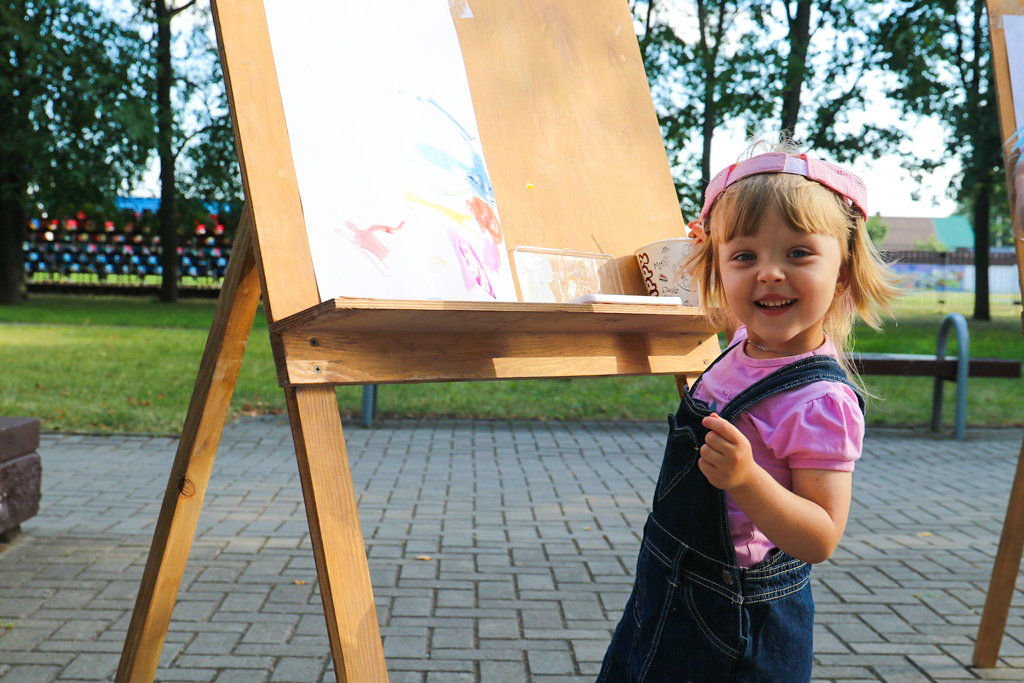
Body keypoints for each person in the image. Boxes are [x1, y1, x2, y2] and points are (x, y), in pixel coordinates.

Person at [597, 139, 900, 683]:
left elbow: (821, 536)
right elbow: (711, 287)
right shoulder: (743, 340)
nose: (769, 273)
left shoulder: (820, 402)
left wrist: (747, 480)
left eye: (798, 253)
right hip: (665, 582)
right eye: (745, 256)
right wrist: (704, 249)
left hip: (738, 619)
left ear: (845, 273)